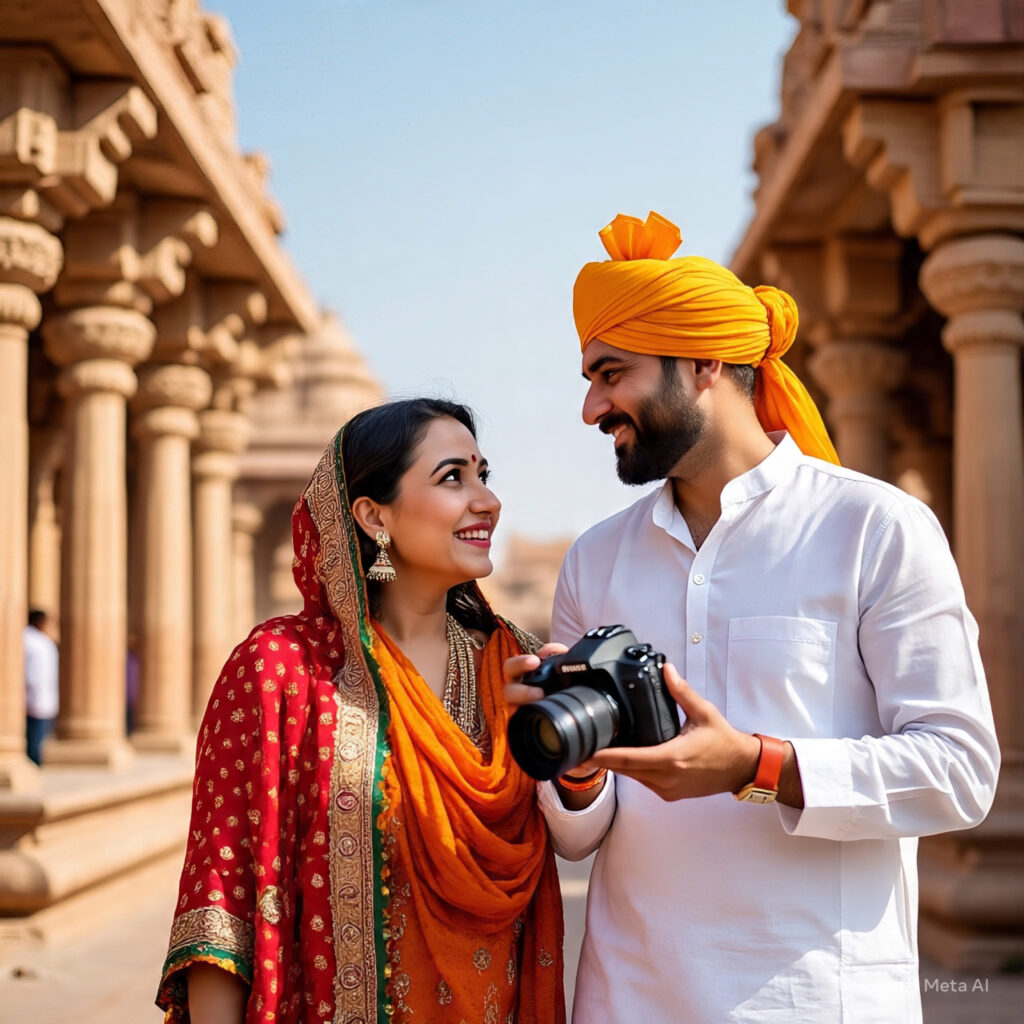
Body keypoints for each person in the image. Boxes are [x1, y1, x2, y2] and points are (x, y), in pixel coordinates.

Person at [504, 212, 1000, 1023]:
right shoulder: (596, 560)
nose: (591, 408)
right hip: (630, 1000)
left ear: (703, 362)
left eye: (611, 373)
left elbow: (958, 771)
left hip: (820, 1000)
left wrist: (756, 765)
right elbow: (576, 837)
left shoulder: (874, 528)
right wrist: (578, 764)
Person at [158, 398, 564, 1024]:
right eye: (453, 477)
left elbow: (589, 827)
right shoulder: (282, 670)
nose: (487, 500)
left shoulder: (516, 667)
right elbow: (223, 909)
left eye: (485, 475)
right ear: (375, 515)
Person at [24, 608, 59, 766]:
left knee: (39, 734)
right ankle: (33, 762)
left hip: (41, 695)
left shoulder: (42, 641)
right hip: (31, 695)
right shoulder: (29, 640)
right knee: (32, 735)